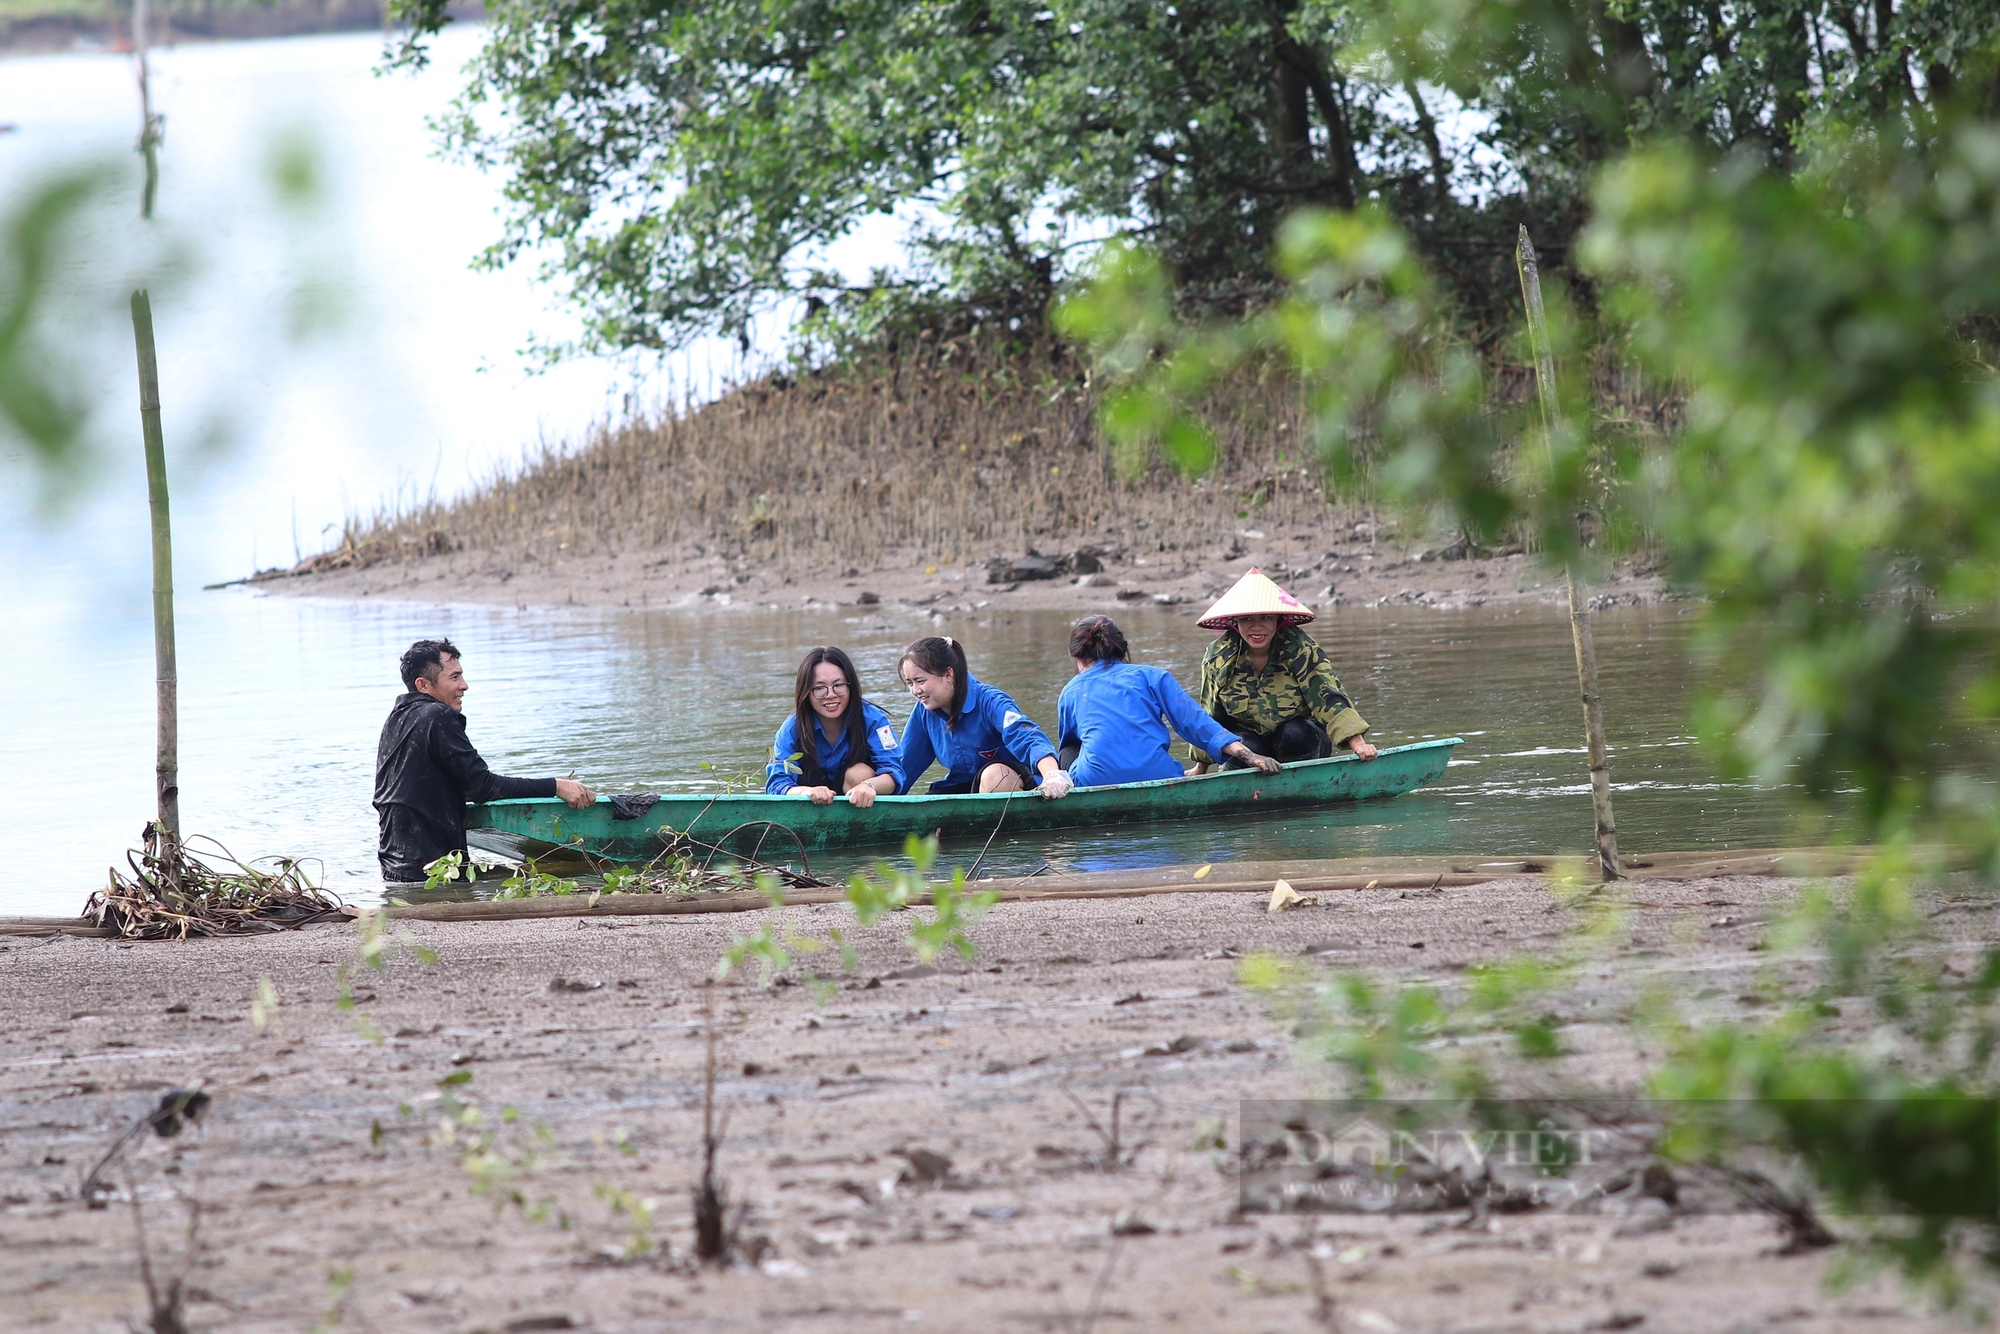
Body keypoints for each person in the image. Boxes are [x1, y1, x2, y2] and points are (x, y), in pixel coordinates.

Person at [373, 639, 594, 883]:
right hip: (432, 873)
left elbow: (428, 786)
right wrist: (556, 786)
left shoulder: (395, 720)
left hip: (393, 868)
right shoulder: (437, 715)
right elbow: (483, 787)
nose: (464, 686)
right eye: (454, 677)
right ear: (423, 685)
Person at [1189, 568, 1380, 771]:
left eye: (1265, 618)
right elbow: (1211, 714)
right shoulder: (1218, 657)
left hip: (1301, 741)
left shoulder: (1300, 648)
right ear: (1235, 622)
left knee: (1294, 734)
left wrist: (1359, 745)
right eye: (1247, 619)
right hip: (1249, 747)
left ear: (1278, 619)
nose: (1257, 627)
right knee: (1241, 745)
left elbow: (1328, 697)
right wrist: (1201, 767)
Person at [1057, 615, 1280, 787]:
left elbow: (1073, 745)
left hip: (1094, 781)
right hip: (1159, 774)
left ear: (1078, 658)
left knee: (1068, 749)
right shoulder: (1152, 676)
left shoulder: (1070, 691)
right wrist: (1249, 755)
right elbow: (1196, 723)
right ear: (1122, 650)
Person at [895, 636, 1072, 797]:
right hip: (965, 787)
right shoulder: (923, 712)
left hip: (1010, 782)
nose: (915, 691)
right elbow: (903, 767)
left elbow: (1029, 738)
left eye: (921, 681)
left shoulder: (990, 701)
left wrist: (1052, 775)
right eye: (910, 683)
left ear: (949, 675)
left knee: (995, 776)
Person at [765, 646, 902, 807]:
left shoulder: (874, 719)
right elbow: (776, 784)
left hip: (858, 802)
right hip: (811, 804)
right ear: (806, 692)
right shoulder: (791, 728)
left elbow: (894, 772)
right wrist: (805, 792)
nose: (830, 694)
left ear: (850, 686)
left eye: (839, 685)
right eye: (819, 688)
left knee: (860, 773)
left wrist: (868, 786)